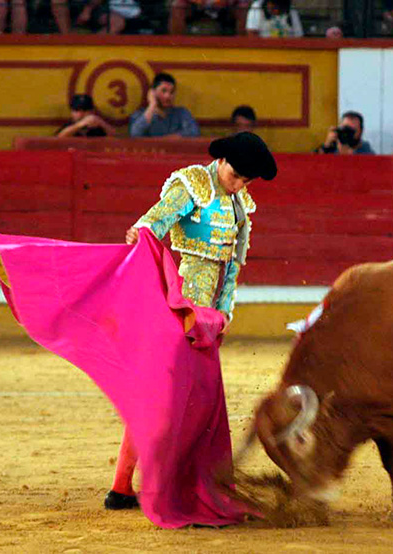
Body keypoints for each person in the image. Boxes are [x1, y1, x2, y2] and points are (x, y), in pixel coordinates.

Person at [104, 132, 277, 510]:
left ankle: (137, 486)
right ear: (222, 161)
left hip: (208, 319)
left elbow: (232, 266)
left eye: (246, 180)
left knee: (187, 400)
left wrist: (224, 312)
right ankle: (127, 486)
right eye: (236, 176)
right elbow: (156, 221)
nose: (239, 185)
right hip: (177, 311)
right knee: (164, 397)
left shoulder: (240, 205)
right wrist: (141, 234)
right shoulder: (194, 184)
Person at [129, 73, 201, 138]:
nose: (168, 96)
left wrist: (170, 138)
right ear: (153, 92)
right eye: (163, 91)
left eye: (171, 92)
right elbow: (135, 134)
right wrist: (152, 105)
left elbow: (194, 132)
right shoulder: (140, 114)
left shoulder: (181, 113)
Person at [52, 0, 142, 34]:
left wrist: (87, 11)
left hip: (92, 6)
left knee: (118, 23)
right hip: (69, 7)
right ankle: (67, 37)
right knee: (58, 2)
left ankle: (90, 45)